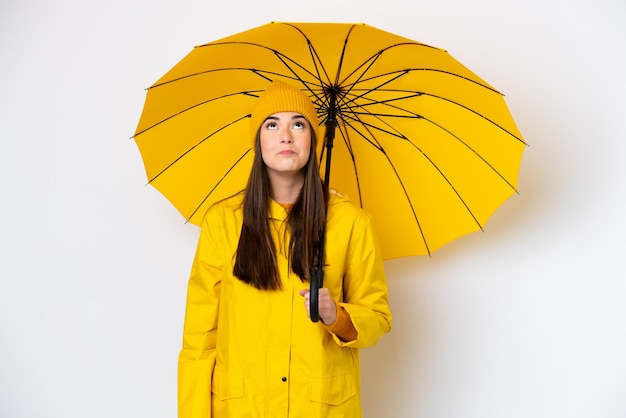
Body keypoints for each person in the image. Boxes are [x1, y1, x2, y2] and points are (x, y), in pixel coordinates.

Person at [178, 80, 392, 418]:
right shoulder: (223, 222)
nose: (286, 135)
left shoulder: (351, 222)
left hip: (322, 407)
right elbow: (199, 338)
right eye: (272, 124)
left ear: (313, 141)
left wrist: (337, 315)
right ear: (258, 141)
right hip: (242, 407)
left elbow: (378, 317)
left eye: (298, 124)